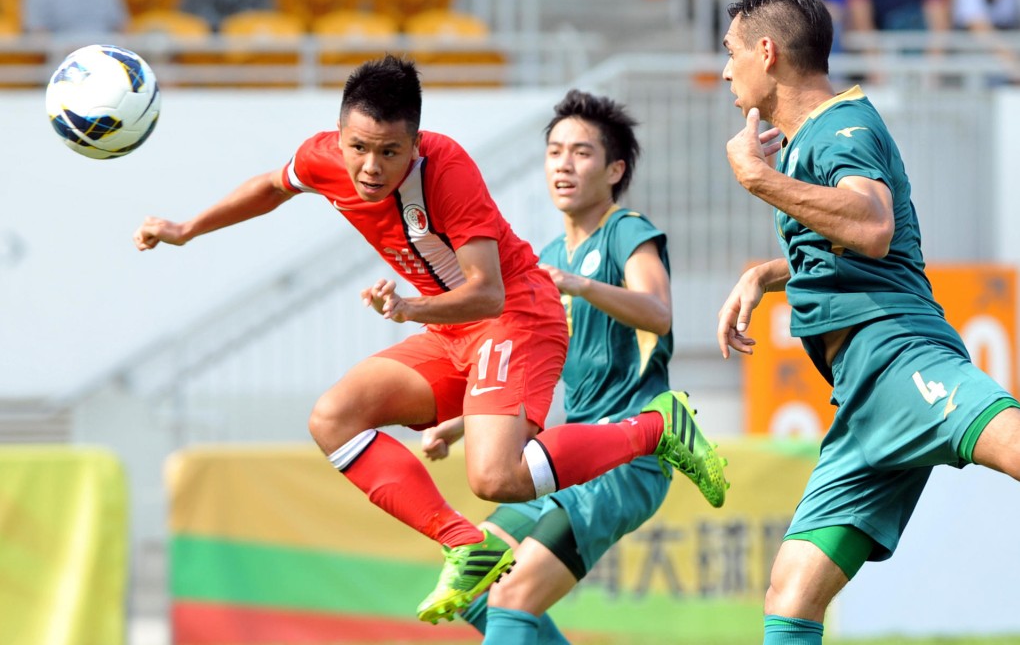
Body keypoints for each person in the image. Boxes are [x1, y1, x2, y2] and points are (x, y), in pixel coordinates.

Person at [132, 55, 729, 624]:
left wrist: (410, 307)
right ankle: (464, 542)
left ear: (415, 144)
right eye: (358, 148)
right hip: (450, 330)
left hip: (516, 317)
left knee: (494, 480)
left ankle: (658, 428)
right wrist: (188, 228)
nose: (370, 167)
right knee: (333, 417)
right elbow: (271, 185)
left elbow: (489, 294)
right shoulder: (323, 157)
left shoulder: (447, 171)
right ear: (339, 137)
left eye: (389, 152)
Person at [719, 0, 1020, 643]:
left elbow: (872, 224)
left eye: (731, 52)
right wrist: (764, 274)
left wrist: (759, 179)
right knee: (791, 596)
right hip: (861, 399)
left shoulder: (840, 126)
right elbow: (842, 249)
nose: (726, 70)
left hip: (897, 353)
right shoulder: (812, 138)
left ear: (766, 52)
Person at [420, 89, 723, 643]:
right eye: (555, 151)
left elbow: (658, 312)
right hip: (569, 455)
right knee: (475, 584)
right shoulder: (548, 260)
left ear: (615, 169)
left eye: (581, 152)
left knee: (512, 595)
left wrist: (579, 285)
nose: (564, 164)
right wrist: (460, 424)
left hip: (627, 457)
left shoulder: (625, 230)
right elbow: (527, 366)